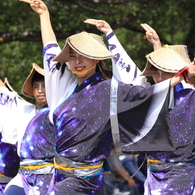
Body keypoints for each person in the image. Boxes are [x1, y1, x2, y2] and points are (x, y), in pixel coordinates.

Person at [19, 1, 194, 194]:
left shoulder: (109, 90)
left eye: (83, 56)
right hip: (59, 175)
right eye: (73, 56)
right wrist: (44, 15)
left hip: (84, 179)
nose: (77, 62)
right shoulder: (62, 86)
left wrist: (181, 76)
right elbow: (50, 48)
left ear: (95, 58)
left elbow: (145, 93)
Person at [87, 19, 195, 195]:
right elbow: (127, 71)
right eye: (155, 71)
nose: (157, 76)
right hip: (154, 174)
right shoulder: (148, 94)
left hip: (184, 174)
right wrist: (109, 34)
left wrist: (158, 47)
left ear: (177, 71)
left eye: (163, 71)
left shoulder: (191, 94)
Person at [0, 63, 55, 195]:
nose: (40, 90)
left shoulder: (57, 113)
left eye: (44, 86)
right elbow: (4, 94)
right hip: (24, 175)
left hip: (50, 176)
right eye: (36, 86)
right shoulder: (25, 110)